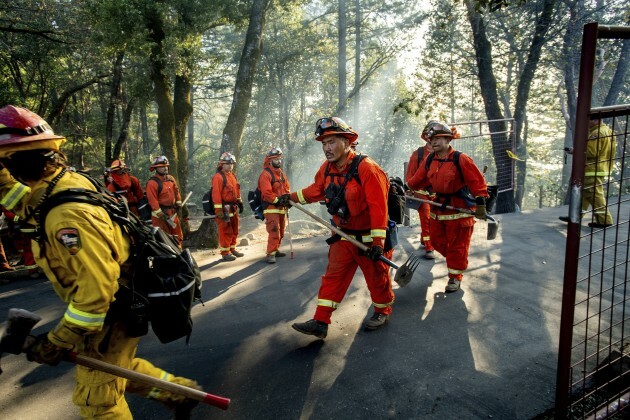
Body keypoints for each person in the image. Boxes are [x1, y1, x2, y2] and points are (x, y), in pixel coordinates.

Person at [0, 105, 199, 418]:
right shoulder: (58, 185)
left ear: (15, 163)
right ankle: (177, 392)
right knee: (117, 369)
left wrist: (57, 341)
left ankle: (176, 393)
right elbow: (20, 199)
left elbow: (96, 294)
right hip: (119, 300)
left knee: (98, 401)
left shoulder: (67, 215)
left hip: (112, 310)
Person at [277, 117, 394, 338]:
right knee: (333, 277)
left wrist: (378, 242)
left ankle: (382, 311)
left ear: (347, 142)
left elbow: (379, 208)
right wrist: (291, 197)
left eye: (331, 142)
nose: (326, 148)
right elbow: (315, 190)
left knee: (377, 278)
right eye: (324, 143)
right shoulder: (327, 168)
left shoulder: (368, 169)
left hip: (368, 240)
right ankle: (320, 321)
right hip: (343, 236)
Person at [407, 122, 488, 293]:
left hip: (459, 209)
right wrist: (403, 187)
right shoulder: (430, 159)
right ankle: (454, 259)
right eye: (431, 139)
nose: (433, 142)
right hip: (439, 208)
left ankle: (455, 277)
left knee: (458, 246)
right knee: (436, 241)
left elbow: (477, 181)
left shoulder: (461, 159)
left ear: (447, 139)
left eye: (437, 138)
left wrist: (481, 203)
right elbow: (417, 180)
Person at [559, 118, 616, 228]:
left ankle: (604, 220)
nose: (586, 123)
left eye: (589, 120)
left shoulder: (596, 133)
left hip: (592, 169)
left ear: (595, 120)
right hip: (600, 168)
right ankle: (575, 216)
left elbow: (591, 152)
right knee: (585, 195)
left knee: (594, 195)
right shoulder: (608, 131)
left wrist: (574, 151)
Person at [405, 121, 439, 260]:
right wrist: (409, 190)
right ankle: (429, 247)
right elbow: (410, 175)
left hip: (437, 193)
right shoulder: (417, 154)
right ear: (426, 136)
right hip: (421, 193)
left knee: (435, 219)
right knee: (426, 219)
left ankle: (424, 238)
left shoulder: (443, 154)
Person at [258, 147, 291, 264]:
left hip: (281, 208)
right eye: (276, 159)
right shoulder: (265, 174)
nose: (278, 161)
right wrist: (277, 201)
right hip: (271, 208)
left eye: (279, 158)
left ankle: (276, 249)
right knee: (274, 230)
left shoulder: (281, 174)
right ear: (270, 160)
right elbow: (267, 193)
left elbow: (287, 188)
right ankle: (271, 254)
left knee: (281, 231)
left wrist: (288, 199)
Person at [212, 152, 244, 261]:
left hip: (233, 208)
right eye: (227, 164)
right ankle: (225, 252)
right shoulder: (218, 177)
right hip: (224, 209)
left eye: (231, 164)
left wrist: (239, 201)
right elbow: (216, 194)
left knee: (235, 229)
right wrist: (219, 211)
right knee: (225, 230)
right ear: (222, 164)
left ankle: (232, 249)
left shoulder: (232, 175)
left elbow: (237, 190)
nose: (230, 166)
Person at [146, 156, 184, 245]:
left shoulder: (171, 179)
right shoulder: (152, 183)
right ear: (156, 168)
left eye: (166, 166)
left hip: (172, 214)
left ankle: (178, 252)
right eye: (162, 166)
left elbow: (176, 192)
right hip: (160, 216)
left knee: (177, 236)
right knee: (163, 239)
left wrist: (178, 204)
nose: (165, 168)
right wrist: (160, 214)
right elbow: (152, 200)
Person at [1, 206, 39, 278]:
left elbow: (7, 212)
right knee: (29, 248)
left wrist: (18, 219)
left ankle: (34, 270)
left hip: (28, 223)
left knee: (29, 248)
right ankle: (33, 270)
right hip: (28, 224)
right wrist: (18, 219)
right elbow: (7, 212)